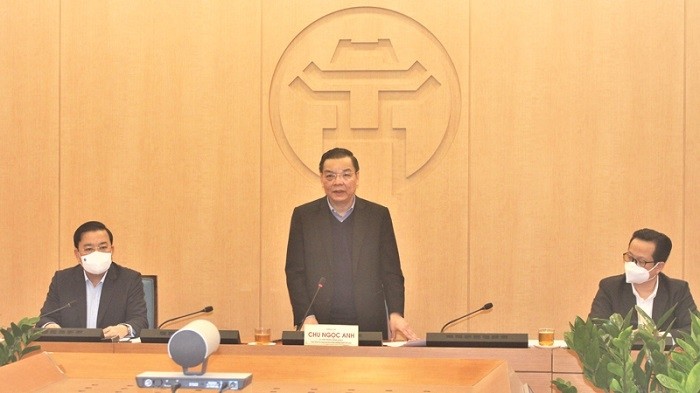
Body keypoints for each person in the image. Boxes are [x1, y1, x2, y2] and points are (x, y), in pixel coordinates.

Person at [285, 147, 418, 341]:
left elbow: (391, 272)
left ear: (357, 177)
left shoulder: (378, 216)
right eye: (330, 176)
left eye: (346, 175)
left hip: (368, 322)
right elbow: (295, 272)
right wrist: (307, 316)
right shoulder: (304, 217)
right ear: (321, 179)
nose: (338, 182)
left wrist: (396, 314)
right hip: (319, 324)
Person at [37, 221, 148, 339]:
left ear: (112, 250)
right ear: (77, 255)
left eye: (103, 247)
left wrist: (124, 329)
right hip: (71, 353)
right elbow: (45, 318)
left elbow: (140, 321)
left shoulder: (129, 279)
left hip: (113, 353)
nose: (97, 253)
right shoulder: (62, 280)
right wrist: (50, 327)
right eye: (89, 249)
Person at [589, 228, 697, 334]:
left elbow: (693, 329)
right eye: (630, 257)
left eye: (641, 261)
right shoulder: (610, 287)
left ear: (659, 267)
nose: (632, 264)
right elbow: (595, 327)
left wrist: (658, 338)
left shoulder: (677, 290)